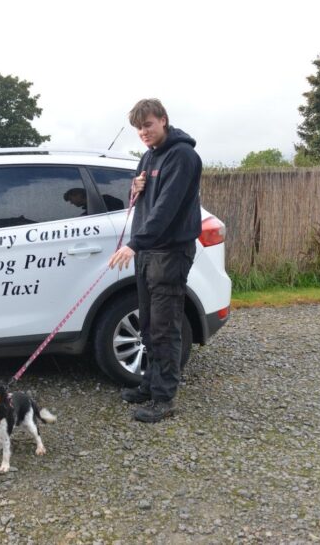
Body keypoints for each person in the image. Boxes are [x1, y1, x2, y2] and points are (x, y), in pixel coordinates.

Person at [108, 99, 202, 423]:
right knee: (147, 325)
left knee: (165, 328)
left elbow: (166, 208)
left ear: (163, 120)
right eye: (138, 128)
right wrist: (134, 189)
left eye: (148, 125)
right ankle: (149, 384)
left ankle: (165, 399)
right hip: (148, 254)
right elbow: (139, 203)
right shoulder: (148, 158)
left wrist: (134, 244)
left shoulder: (183, 156)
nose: (143, 132)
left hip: (169, 253)